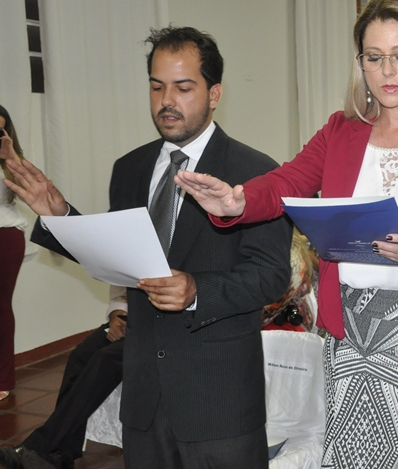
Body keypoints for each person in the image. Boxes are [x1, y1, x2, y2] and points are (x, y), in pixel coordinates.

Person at [175, 0, 398, 468]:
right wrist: (238, 200)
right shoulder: (342, 131)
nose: (387, 72)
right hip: (352, 336)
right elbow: (287, 181)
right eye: (374, 57)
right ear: (360, 62)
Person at [4, 26, 293, 468]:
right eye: (157, 87)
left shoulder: (255, 173)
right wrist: (60, 215)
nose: (166, 101)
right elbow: (117, 258)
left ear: (214, 94)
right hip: (143, 400)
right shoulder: (130, 169)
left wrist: (196, 291)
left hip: (218, 403)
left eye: (183, 87)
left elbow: (270, 276)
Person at [0, 287, 127, 469]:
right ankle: (62, 452)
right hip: (133, 320)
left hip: (162, 328)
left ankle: (36, 446)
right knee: (81, 356)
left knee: (106, 359)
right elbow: (121, 290)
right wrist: (117, 316)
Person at [0, 106, 27, 404]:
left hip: (5, 236)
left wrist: (10, 156)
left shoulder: (10, 161)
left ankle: (3, 378)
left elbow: (29, 190)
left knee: (1, 307)